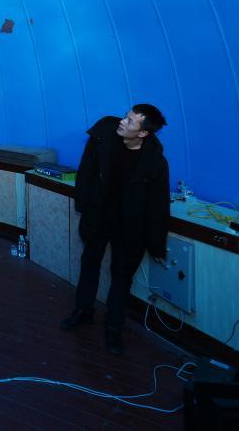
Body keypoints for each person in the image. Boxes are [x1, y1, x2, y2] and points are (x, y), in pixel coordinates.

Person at [60, 104, 170, 355]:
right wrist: (82, 204)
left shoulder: (155, 162)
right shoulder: (104, 135)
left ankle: (113, 328)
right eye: (126, 116)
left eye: (130, 121)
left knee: (121, 275)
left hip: (130, 224)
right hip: (99, 214)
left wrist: (157, 245)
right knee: (90, 261)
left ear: (143, 133)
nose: (122, 121)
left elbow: (158, 205)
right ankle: (83, 310)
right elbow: (86, 171)